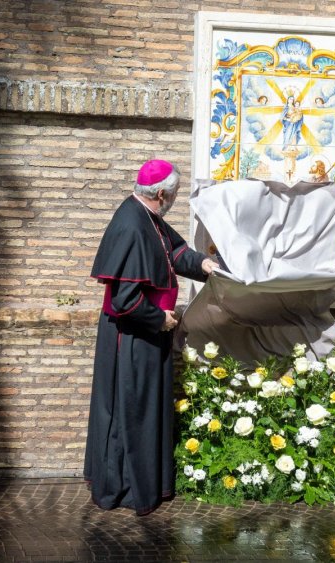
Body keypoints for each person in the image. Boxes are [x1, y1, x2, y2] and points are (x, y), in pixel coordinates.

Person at [85, 159, 218, 515]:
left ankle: (148, 483)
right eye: (173, 194)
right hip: (131, 338)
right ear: (160, 193)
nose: (173, 199)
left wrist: (203, 266)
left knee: (145, 409)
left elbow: (173, 251)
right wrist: (160, 319)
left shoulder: (149, 218)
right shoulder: (131, 225)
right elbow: (124, 300)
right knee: (130, 411)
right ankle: (125, 489)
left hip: (148, 334)